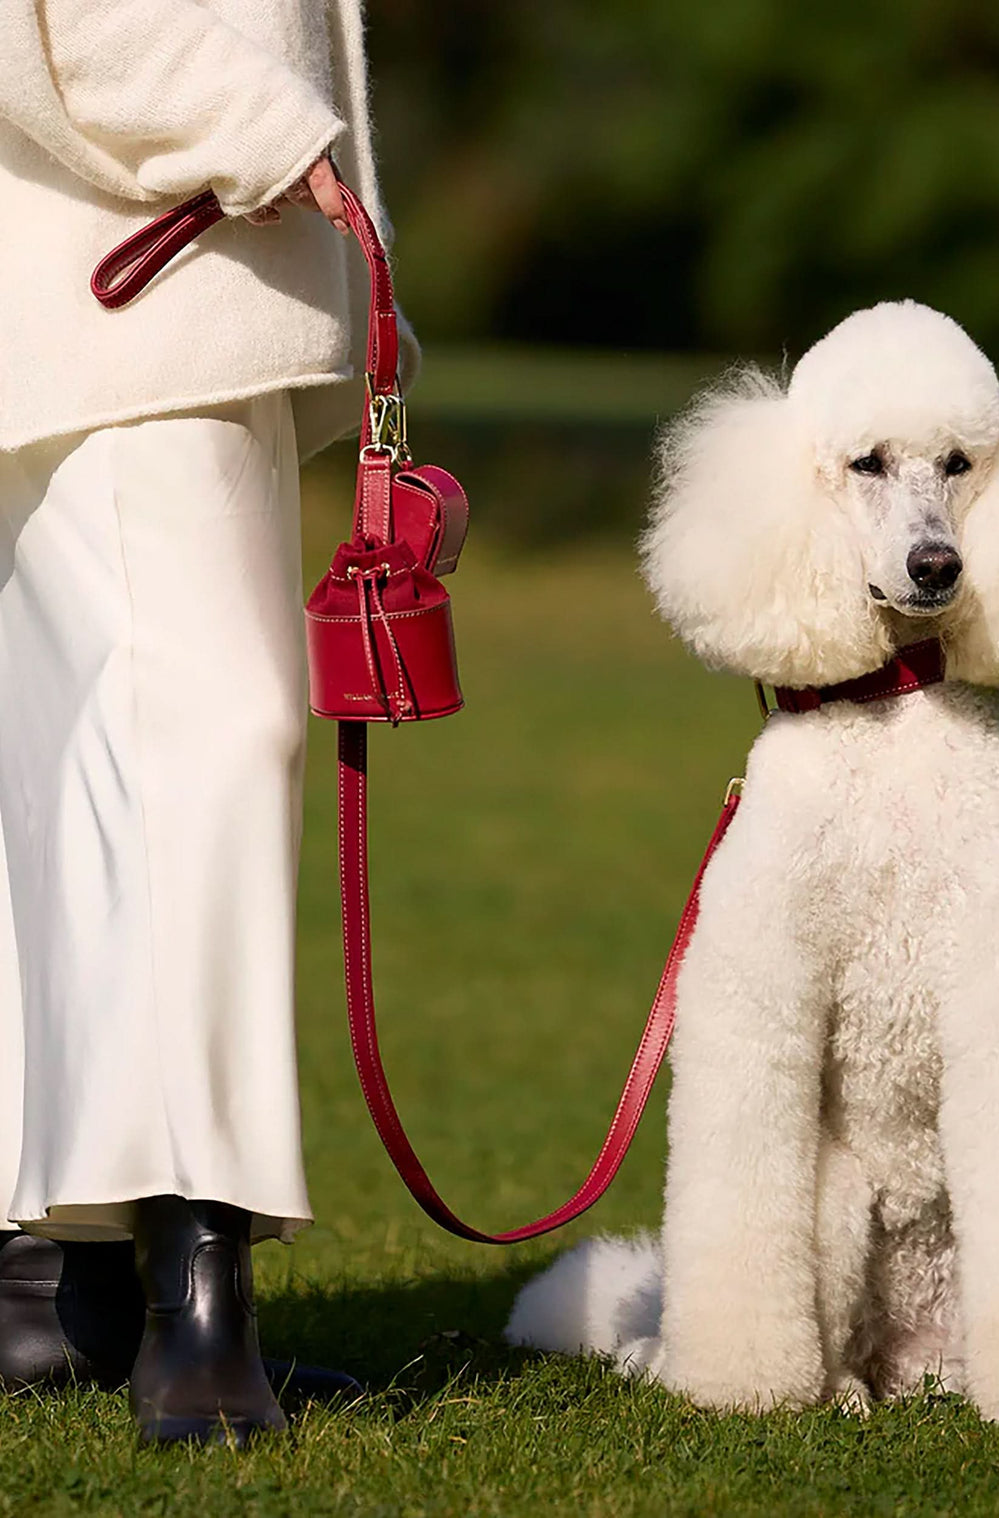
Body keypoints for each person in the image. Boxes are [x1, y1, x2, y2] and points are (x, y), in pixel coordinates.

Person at [0, 1, 417, 1445]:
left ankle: (66, 1289)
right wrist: (267, 132)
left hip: (172, 285)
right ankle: (194, 1297)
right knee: (215, 746)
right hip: (136, 289)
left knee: (93, 774)